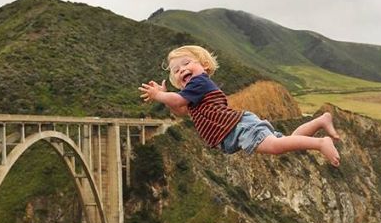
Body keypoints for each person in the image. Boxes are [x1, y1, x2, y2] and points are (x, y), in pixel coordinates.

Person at [139, 45, 341, 166]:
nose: (182, 69)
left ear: (204, 66)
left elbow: (178, 101)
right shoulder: (191, 93)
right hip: (236, 129)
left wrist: (159, 95)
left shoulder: (199, 82)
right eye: (176, 70)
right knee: (288, 141)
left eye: (186, 63)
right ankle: (321, 121)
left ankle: (321, 143)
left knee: (277, 147)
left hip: (239, 127)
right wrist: (165, 96)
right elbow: (180, 109)